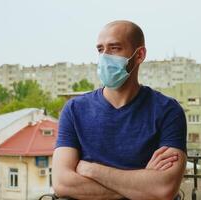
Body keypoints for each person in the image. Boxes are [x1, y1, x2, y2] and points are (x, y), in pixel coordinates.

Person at [52, 20, 187, 200]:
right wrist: (142, 186)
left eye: (114, 48)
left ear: (139, 55)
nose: (104, 57)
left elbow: (165, 188)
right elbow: (62, 183)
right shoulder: (75, 110)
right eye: (100, 50)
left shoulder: (168, 111)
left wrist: (91, 169)